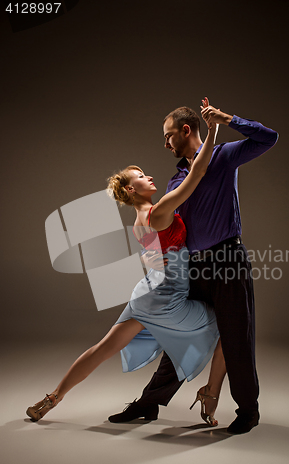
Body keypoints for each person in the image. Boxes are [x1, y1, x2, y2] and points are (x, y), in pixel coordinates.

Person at [26, 99, 227, 426]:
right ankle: (210, 393)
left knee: (103, 348)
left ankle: (52, 398)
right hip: (166, 298)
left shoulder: (138, 222)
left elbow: (158, 258)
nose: (149, 177)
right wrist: (214, 128)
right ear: (132, 191)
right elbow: (199, 171)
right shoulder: (159, 210)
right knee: (227, 325)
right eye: (141, 177)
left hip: (146, 292)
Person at [108, 98, 279, 434]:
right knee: (179, 335)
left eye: (169, 135)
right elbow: (170, 233)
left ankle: (248, 411)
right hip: (194, 269)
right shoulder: (175, 183)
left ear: (186, 130)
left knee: (236, 339)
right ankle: (149, 403)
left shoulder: (224, 156)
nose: (165, 142)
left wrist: (228, 118)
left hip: (229, 261)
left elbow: (268, 138)